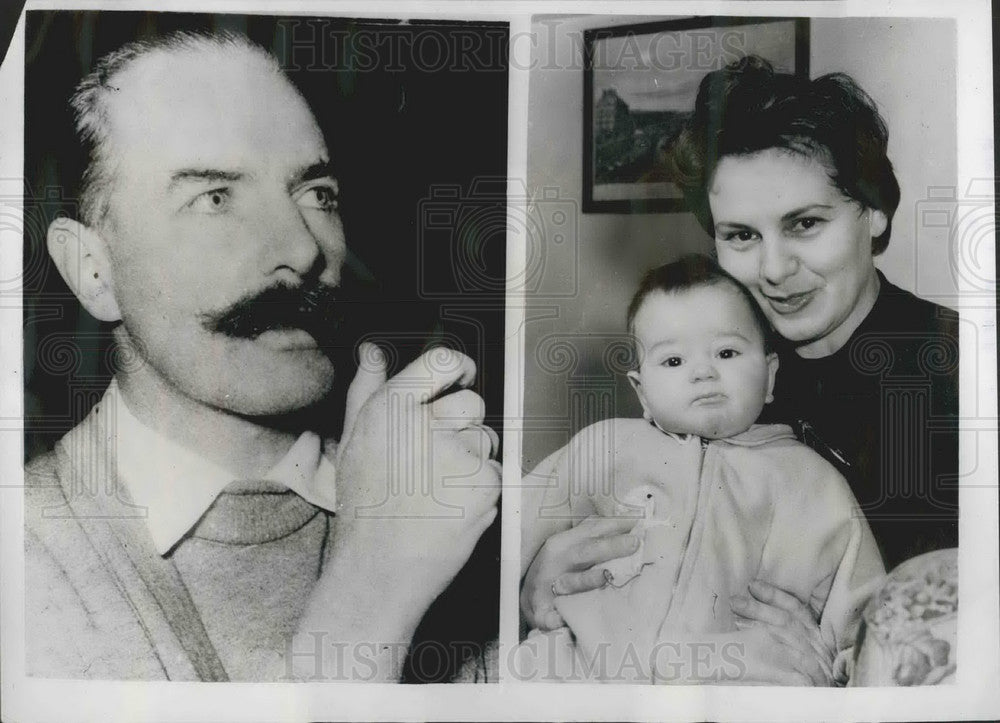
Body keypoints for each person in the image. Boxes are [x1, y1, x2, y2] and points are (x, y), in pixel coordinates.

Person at [24, 30, 500, 682]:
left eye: (317, 193)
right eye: (215, 198)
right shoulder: (27, 555)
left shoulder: (456, 508)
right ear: (93, 270)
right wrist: (373, 592)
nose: (303, 249)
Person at [521, 55, 959, 685]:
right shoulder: (719, 377)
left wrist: (846, 665)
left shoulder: (963, 370)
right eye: (741, 236)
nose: (774, 270)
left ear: (875, 213)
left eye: (804, 225)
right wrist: (535, 584)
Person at [517, 256, 884, 684]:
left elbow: (869, 613)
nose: (703, 372)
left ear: (769, 377)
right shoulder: (602, 448)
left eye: (726, 352)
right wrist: (522, 597)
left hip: (745, 687)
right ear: (642, 391)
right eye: (673, 361)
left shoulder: (811, 480)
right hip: (586, 677)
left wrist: (836, 670)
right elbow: (510, 535)